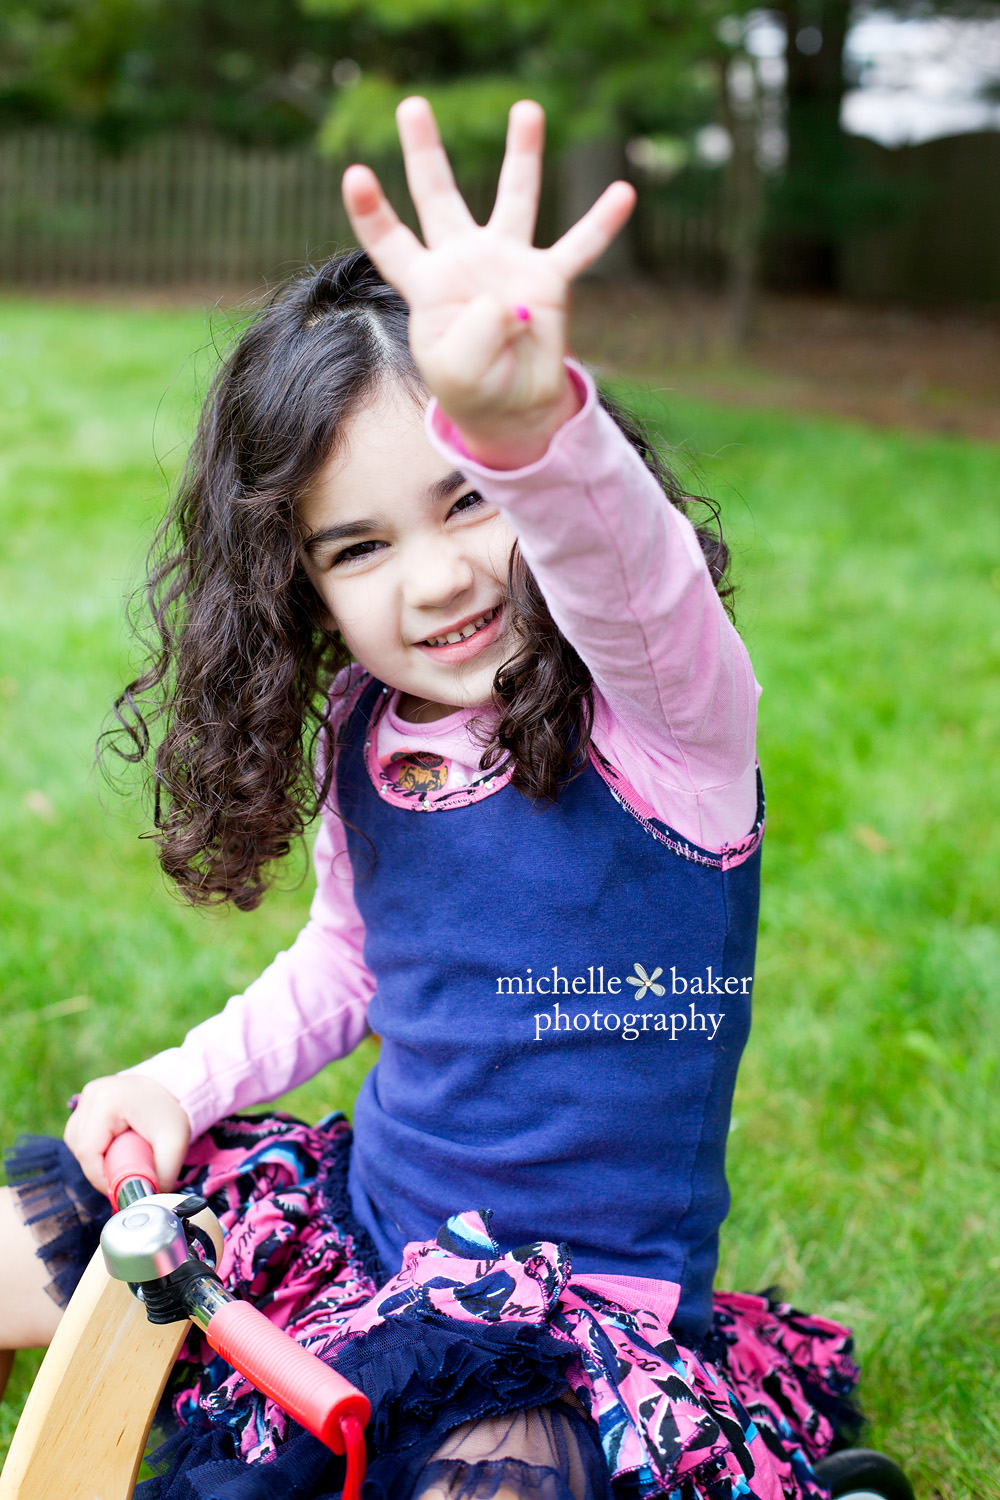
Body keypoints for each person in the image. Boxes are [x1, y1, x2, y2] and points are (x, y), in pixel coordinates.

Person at [2, 99, 861, 1500]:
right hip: (372, 1225)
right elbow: (348, 963)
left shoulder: (667, 715)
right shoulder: (365, 733)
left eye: (469, 501)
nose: (438, 579)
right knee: (39, 1239)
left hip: (564, 1317)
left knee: (473, 1480)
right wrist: (176, 1082)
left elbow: (627, 572)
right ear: (308, 592)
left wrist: (532, 435)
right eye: (360, 545)